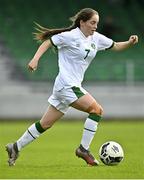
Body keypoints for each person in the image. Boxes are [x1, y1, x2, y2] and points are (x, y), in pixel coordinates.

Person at [6, 8, 138, 166]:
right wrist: (35, 59)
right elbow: (49, 41)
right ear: (82, 22)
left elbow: (116, 46)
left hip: (67, 87)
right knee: (97, 110)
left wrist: (129, 43)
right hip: (66, 85)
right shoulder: (70, 36)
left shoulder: (95, 38)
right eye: (92, 23)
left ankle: (15, 147)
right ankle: (84, 149)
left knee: (45, 124)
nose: (95, 26)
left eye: (97, 23)